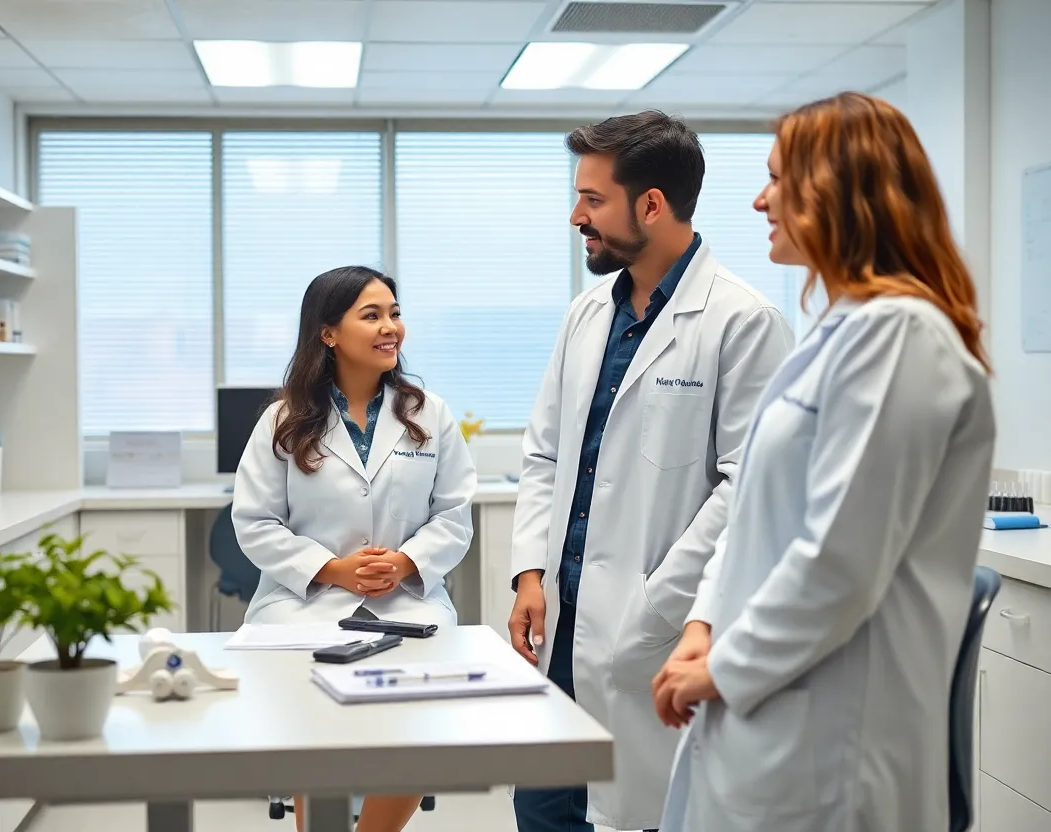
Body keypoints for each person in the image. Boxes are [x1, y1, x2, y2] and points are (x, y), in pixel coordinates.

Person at [651, 92, 996, 832]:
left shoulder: (901, 338)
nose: (758, 199)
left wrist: (722, 669)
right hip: (769, 712)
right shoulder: (837, 333)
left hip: (831, 741)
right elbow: (752, 513)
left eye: (777, 178)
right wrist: (704, 625)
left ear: (837, 191)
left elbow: (840, 559)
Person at [508, 111, 795, 832]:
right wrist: (530, 574)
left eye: (593, 200)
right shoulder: (585, 315)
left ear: (652, 205)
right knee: (543, 812)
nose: (577, 217)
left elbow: (748, 486)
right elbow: (545, 453)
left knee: (641, 815)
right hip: (561, 634)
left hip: (651, 635)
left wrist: (658, 605)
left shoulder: (741, 321)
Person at [231, 265, 477, 832]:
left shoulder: (428, 414)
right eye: (372, 315)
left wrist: (406, 562)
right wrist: (332, 570)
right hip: (304, 606)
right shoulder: (284, 420)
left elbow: (455, 515)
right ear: (328, 333)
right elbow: (254, 521)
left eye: (394, 312)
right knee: (311, 729)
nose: (391, 326)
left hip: (406, 603)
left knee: (418, 729)